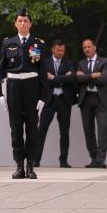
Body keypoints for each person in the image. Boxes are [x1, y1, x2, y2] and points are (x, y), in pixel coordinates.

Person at [0, 8, 47, 179]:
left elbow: (43, 73)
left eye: (25, 20)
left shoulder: (38, 44)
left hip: (32, 87)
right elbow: (0, 70)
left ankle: (30, 166)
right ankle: (19, 166)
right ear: (15, 23)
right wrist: (0, 95)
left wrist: (43, 97)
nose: (23, 23)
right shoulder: (8, 43)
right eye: (20, 21)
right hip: (14, 87)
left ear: (30, 23)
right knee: (16, 128)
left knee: (32, 128)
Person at [34, 39, 76, 168]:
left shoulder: (69, 63)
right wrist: (62, 78)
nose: (61, 53)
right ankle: (36, 159)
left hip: (64, 100)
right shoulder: (45, 63)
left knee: (64, 132)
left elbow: (72, 78)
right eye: (58, 50)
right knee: (41, 130)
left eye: (63, 50)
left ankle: (63, 161)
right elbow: (43, 79)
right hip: (49, 100)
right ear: (52, 49)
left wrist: (54, 78)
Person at [76, 38, 107, 168]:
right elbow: (77, 79)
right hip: (86, 99)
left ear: (94, 47)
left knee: (102, 129)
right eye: (84, 47)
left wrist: (85, 77)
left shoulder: (104, 61)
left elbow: (104, 78)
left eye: (89, 47)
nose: (87, 49)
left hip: (101, 100)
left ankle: (100, 160)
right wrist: (93, 75)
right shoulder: (81, 63)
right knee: (88, 130)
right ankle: (93, 158)